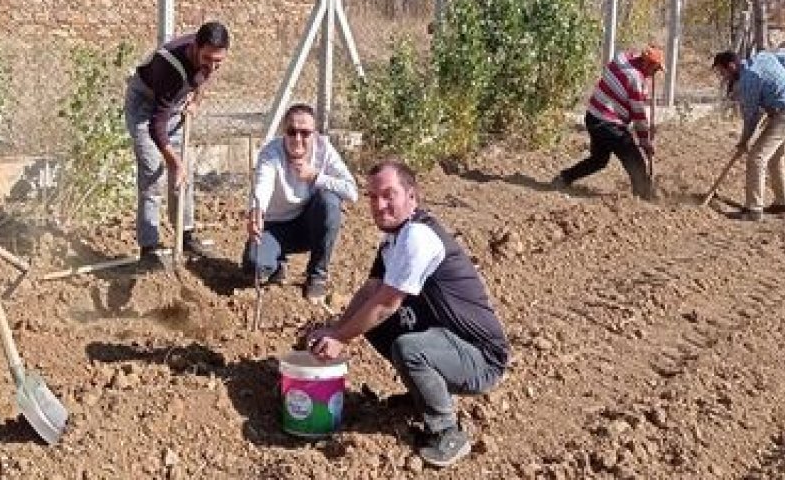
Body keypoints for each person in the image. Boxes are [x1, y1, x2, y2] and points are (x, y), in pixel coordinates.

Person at [307, 160, 510, 469]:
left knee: (408, 348)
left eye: (389, 195)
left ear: (412, 197)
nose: (379, 205)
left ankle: (446, 431)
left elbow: (387, 302)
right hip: (450, 340)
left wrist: (341, 338)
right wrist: (337, 329)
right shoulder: (394, 238)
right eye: (373, 197)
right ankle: (424, 396)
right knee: (373, 323)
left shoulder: (418, 237)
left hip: (481, 358)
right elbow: (370, 290)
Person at [124, 21, 230, 266]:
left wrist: (195, 102)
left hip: (171, 106)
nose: (212, 66)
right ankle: (149, 246)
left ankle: (185, 233)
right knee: (153, 173)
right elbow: (155, 125)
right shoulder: (168, 66)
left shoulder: (208, 55)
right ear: (195, 48)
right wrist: (174, 162)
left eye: (218, 61)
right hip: (145, 109)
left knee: (185, 173)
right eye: (207, 59)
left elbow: (204, 77)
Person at [243, 103, 358, 301]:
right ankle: (277, 265)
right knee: (254, 266)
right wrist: (256, 210)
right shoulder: (271, 153)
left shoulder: (324, 150)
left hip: (309, 225)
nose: (298, 139)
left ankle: (317, 275)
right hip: (274, 227)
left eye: (305, 133)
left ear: (314, 134)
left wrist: (316, 176)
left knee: (329, 200)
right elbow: (263, 184)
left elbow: (352, 191)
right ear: (283, 132)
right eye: (292, 131)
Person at [553, 45, 664, 200]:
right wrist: (645, 142)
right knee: (635, 161)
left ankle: (564, 178)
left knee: (598, 160)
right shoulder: (635, 79)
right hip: (607, 122)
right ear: (647, 65)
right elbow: (638, 115)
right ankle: (644, 197)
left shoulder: (623, 58)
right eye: (655, 70)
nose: (653, 74)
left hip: (593, 116)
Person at [711, 50, 785, 221]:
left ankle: (753, 209)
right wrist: (780, 87)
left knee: (757, 157)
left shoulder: (748, 81)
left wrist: (744, 142)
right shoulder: (763, 57)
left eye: (722, 71)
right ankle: (783, 203)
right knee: (776, 157)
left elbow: (751, 118)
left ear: (732, 66)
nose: (722, 76)